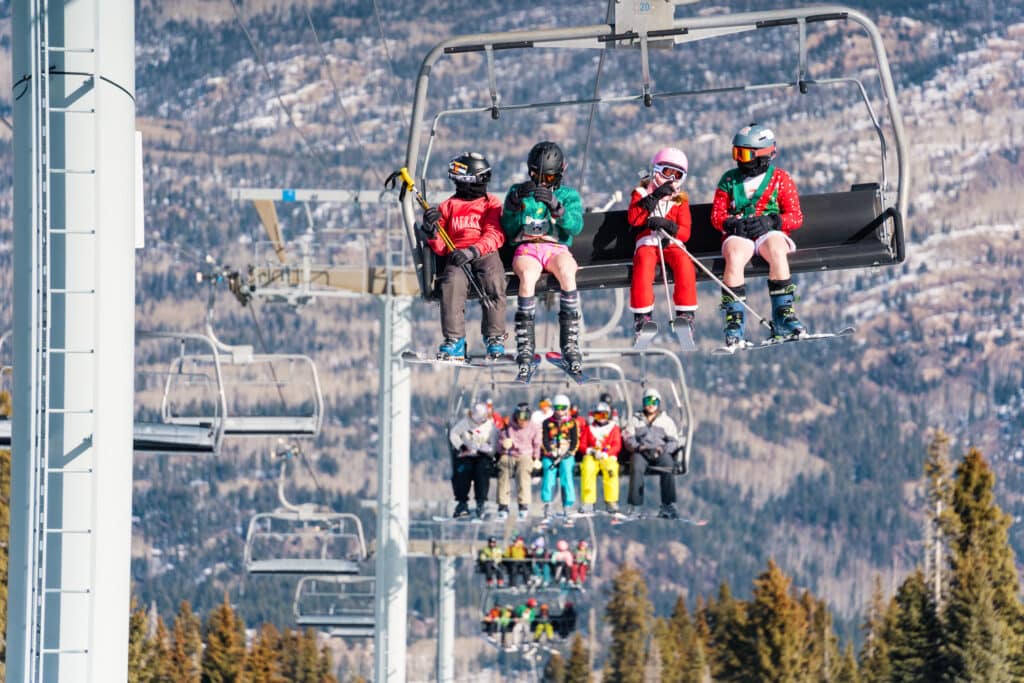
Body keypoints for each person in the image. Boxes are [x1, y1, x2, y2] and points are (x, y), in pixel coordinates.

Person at [710, 123, 806, 348]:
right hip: (740, 234)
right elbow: (717, 215)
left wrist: (772, 221)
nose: (739, 160)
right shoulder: (729, 180)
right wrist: (732, 224)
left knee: (776, 249)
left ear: (762, 155)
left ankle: (784, 314)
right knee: (733, 254)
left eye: (743, 154)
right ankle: (734, 321)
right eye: (736, 153)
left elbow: (796, 216)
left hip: (768, 232)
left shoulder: (780, 179)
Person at [501, 141, 586, 373]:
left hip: (555, 247)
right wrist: (514, 204)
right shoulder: (518, 192)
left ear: (559, 175)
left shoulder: (568, 195)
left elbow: (575, 226)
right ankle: (525, 345)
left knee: (568, 273)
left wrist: (557, 208)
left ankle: (570, 342)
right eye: (535, 176)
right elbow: (508, 229)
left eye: (547, 179)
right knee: (527, 277)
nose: (540, 183)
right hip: (527, 247)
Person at [421, 152, 508, 359]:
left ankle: (494, 336)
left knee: (494, 280)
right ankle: (455, 340)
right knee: (451, 284)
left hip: (483, 252)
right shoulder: (448, 206)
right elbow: (441, 246)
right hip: (457, 255)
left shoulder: (490, 204)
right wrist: (431, 229)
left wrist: (473, 251)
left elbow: (494, 234)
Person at [626, 147, 698, 345]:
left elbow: (685, 232)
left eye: (677, 174)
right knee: (644, 263)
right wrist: (654, 196)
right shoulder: (641, 193)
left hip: (671, 242)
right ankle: (642, 318)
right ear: (657, 170)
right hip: (648, 241)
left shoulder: (679, 200)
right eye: (668, 172)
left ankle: (686, 314)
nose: (671, 179)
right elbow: (634, 219)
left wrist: (669, 226)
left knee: (684, 262)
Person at [623, 387, 682, 519]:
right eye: (648, 401)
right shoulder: (635, 419)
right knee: (636, 465)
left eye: (654, 402)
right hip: (641, 452)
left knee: (668, 465)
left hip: (659, 452)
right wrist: (639, 447)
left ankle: (668, 504)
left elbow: (673, 441)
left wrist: (663, 449)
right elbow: (628, 438)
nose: (651, 405)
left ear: (658, 404)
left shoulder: (666, 421)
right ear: (644, 403)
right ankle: (635, 506)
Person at [449, 402, 498, 518]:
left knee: (481, 472)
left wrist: (487, 449)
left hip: (483, 456)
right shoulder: (465, 423)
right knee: (462, 471)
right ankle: (462, 503)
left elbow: (494, 445)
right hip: (467, 454)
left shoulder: (491, 427)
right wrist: (461, 446)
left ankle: (480, 503)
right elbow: (453, 434)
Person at [497, 402, 541, 521]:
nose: (523, 421)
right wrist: (503, 445)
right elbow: (500, 444)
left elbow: (537, 444)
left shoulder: (534, 427)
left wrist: (536, 458)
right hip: (509, 453)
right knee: (504, 470)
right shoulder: (508, 426)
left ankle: (523, 504)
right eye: (520, 417)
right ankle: (503, 505)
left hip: (525, 454)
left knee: (523, 472)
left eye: (526, 417)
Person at [578, 400, 622, 514]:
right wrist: (589, 450)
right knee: (588, 468)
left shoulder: (613, 428)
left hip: (607, 455)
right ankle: (588, 501)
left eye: (604, 415)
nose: (601, 418)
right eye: (598, 415)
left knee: (611, 470)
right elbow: (582, 444)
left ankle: (611, 501)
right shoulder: (589, 428)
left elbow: (617, 444)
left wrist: (607, 453)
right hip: (592, 455)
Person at [540, 394, 579, 519]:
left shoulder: (572, 423)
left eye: (562, 408)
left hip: (566, 454)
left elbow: (575, 441)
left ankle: (567, 504)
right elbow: (544, 440)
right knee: (549, 471)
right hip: (551, 454)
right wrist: (551, 452)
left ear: (567, 408)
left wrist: (568, 452)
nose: (560, 411)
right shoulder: (547, 423)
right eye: (557, 408)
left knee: (566, 472)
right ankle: (548, 502)